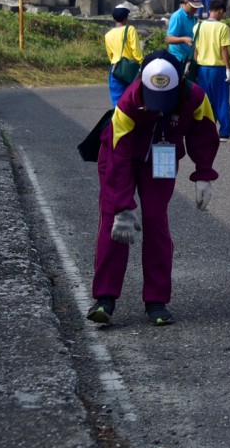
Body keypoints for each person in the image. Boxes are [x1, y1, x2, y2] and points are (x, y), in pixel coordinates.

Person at [86, 50, 220, 326]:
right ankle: (105, 299)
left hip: (162, 158)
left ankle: (156, 300)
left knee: (156, 221)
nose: (157, 107)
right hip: (118, 158)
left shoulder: (195, 98)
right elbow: (117, 157)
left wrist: (203, 174)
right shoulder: (129, 102)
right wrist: (122, 204)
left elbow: (204, 134)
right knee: (114, 221)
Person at [192, 0, 230, 141]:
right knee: (221, 100)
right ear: (220, 11)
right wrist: (228, 69)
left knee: (205, 101)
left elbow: (196, 50)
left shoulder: (197, 27)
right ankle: (224, 131)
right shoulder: (222, 28)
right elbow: (224, 49)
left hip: (202, 68)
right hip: (218, 68)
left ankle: (204, 130)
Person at [104, 4, 143, 107]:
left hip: (115, 69)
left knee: (117, 100)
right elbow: (136, 51)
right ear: (126, 17)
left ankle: (117, 121)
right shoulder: (130, 29)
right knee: (132, 99)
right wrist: (142, 63)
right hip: (130, 69)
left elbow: (110, 55)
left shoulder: (108, 35)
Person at [165, 0, 203, 67]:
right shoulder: (177, 17)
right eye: (193, 7)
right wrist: (184, 39)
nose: (195, 9)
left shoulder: (193, 18)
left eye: (197, 8)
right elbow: (169, 39)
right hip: (178, 58)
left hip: (189, 58)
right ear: (186, 3)